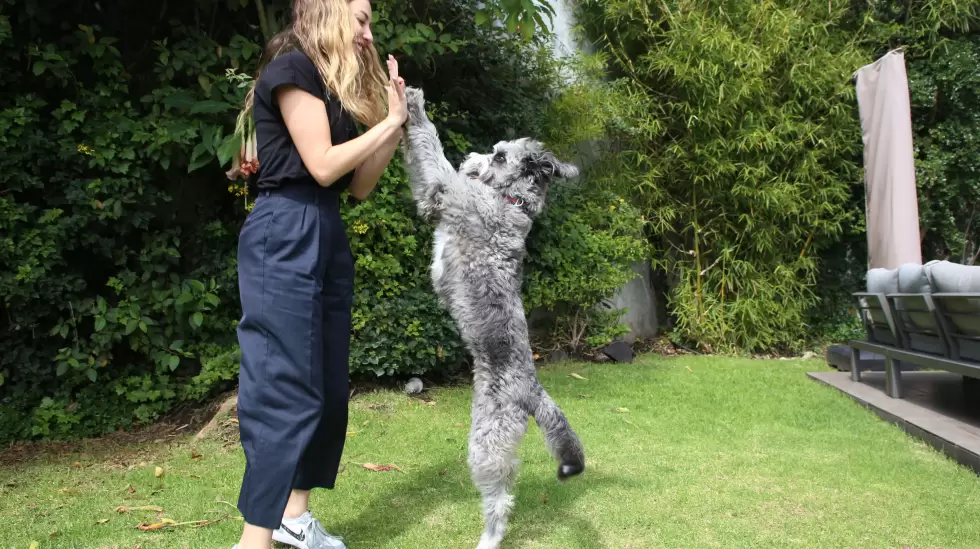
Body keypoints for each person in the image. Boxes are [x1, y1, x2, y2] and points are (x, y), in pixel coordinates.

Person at [230, 0, 407, 547]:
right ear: (329, 11)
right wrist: (390, 122)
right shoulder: (291, 68)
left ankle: (293, 517)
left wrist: (391, 123)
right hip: (283, 230)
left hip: (325, 229)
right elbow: (324, 163)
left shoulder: (331, 90)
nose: (368, 31)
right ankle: (253, 539)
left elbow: (357, 185)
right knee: (283, 388)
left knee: (327, 387)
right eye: (360, 17)